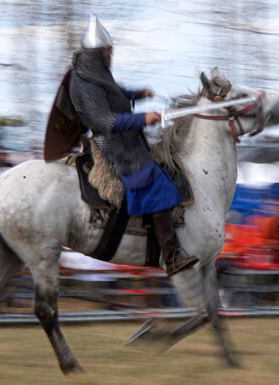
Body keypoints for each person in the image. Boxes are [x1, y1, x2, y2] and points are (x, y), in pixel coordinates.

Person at [45, 14, 198, 277]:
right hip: (115, 148)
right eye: (107, 51)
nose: (110, 55)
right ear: (97, 52)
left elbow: (113, 94)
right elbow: (103, 120)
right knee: (156, 186)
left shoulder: (96, 73)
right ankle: (171, 258)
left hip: (128, 140)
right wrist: (143, 118)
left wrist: (137, 94)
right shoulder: (81, 82)